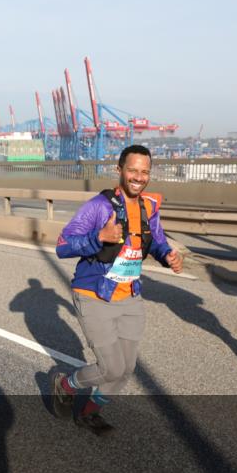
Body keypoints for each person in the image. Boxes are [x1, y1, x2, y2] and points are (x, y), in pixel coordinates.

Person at [52, 144, 182, 434]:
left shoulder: (149, 207)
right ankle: (66, 385)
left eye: (144, 171)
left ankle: (89, 412)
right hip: (94, 294)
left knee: (126, 369)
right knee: (110, 367)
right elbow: (62, 246)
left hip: (130, 295)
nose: (139, 177)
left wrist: (167, 255)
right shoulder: (98, 207)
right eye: (133, 170)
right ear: (120, 170)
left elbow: (157, 240)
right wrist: (99, 236)